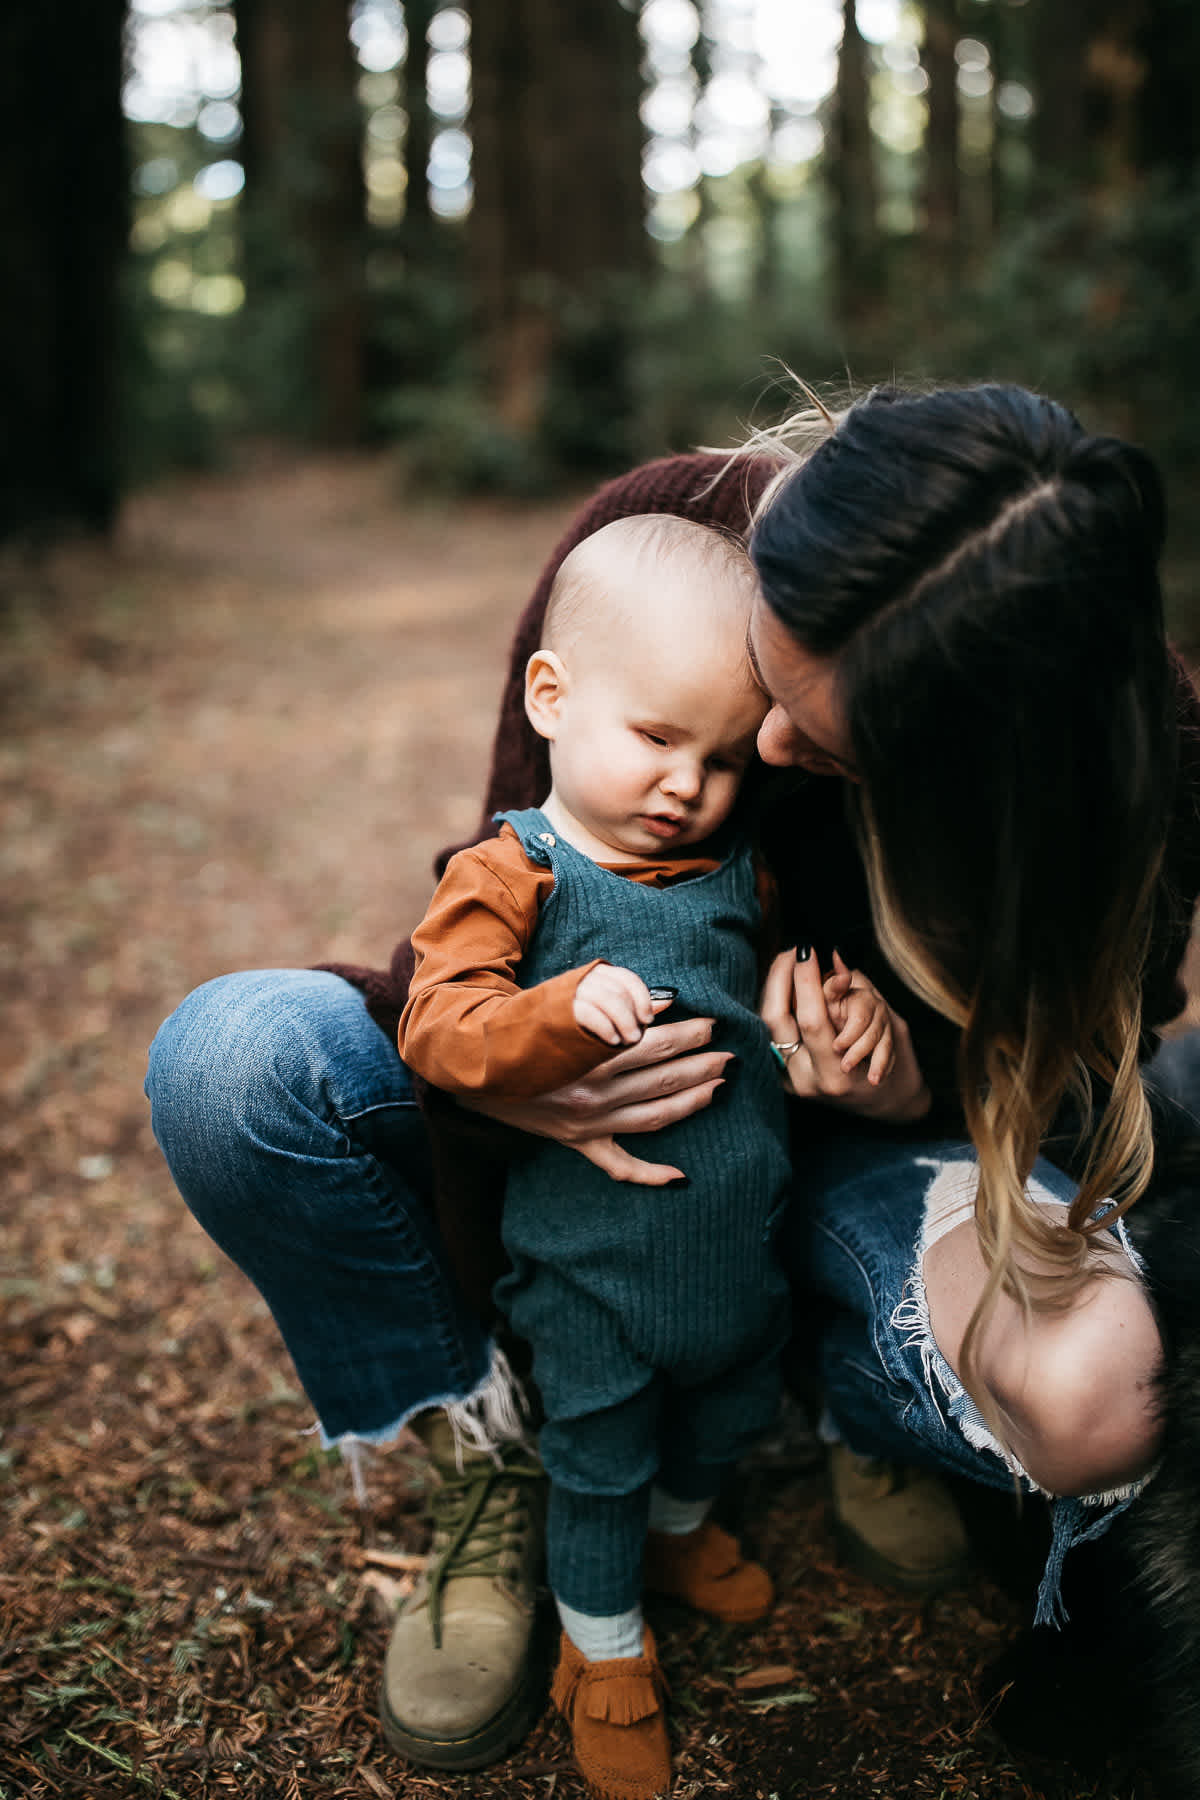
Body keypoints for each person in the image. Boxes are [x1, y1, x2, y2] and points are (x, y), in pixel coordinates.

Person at [144, 381, 1200, 1787]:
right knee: (232, 1062)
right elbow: (515, 904)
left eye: (831, 748)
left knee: (1095, 1394)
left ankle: (845, 1391)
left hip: (862, 1158)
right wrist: (515, 1088)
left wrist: (894, 1088)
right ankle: (502, 1450)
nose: (761, 760)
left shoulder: (1128, 757)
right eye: (773, 675)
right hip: (597, 1119)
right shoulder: (661, 539)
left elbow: (1089, 1086)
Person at [396, 513, 897, 1799]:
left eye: (729, 758)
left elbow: (742, 1018)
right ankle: (602, 1652)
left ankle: (681, 1542)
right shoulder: (515, 872)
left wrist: (813, 1017)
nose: (693, 785)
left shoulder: (736, 867)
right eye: (659, 738)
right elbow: (438, 1029)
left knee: (724, 1420)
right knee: (602, 1459)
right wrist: (557, 1016)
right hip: (592, 1275)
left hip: (734, 1260)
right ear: (552, 699)